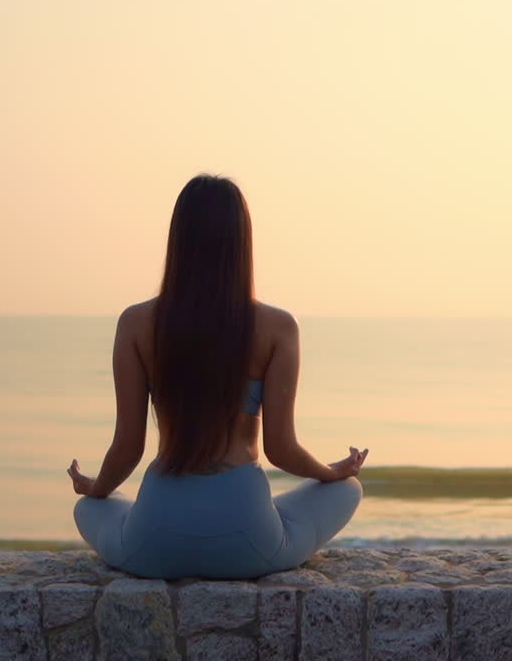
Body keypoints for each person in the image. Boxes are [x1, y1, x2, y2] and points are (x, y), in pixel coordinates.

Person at [68, 174, 367, 579]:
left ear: (178, 239)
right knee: (348, 491)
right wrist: (334, 472)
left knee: (89, 508)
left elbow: (127, 447)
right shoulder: (278, 327)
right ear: (242, 243)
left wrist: (97, 487)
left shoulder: (136, 324)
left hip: (155, 540)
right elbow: (281, 449)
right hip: (247, 540)